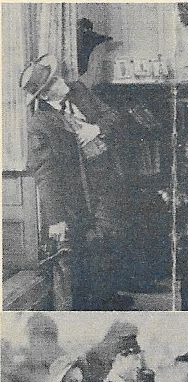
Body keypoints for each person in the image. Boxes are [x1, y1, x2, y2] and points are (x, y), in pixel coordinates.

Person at [19, 54, 132, 310]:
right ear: (46, 95)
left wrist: (97, 128)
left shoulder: (80, 92)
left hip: (110, 178)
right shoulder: (41, 124)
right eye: (55, 81)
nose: (62, 80)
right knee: (88, 247)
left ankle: (108, 297)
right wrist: (55, 218)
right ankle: (92, 306)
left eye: (57, 76)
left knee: (110, 240)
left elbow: (114, 117)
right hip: (79, 193)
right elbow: (45, 174)